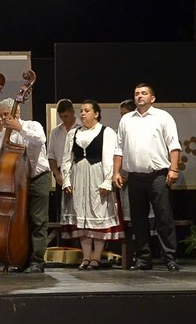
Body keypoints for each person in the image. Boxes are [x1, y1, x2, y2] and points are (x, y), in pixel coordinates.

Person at [0, 96, 52, 272]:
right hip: (16, 184)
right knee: (21, 222)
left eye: (6, 114)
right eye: (1, 116)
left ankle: (37, 261)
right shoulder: (3, 136)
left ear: (16, 112)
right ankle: (21, 258)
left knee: (38, 221)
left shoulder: (33, 125)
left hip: (37, 178)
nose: (3, 119)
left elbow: (40, 140)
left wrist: (20, 128)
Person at [112, 83, 182, 271]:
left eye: (144, 93)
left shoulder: (163, 117)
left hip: (157, 176)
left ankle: (169, 257)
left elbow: (174, 145)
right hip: (134, 177)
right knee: (138, 220)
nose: (139, 96)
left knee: (164, 217)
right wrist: (116, 172)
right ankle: (143, 258)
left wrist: (174, 169)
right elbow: (119, 148)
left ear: (152, 98)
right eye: (137, 93)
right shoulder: (126, 120)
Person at [67, 100, 123, 269]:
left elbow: (110, 158)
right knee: (82, 215)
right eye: (81, 111)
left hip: (98, 176)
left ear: (96, 114)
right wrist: (67, 180)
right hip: (79, 176)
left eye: (87, 110)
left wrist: (107, 181)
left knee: (98, 214)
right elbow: (67, 158)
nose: (83, 114)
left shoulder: (106, 132)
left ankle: (96, 257)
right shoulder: (74, 133)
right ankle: (86, 257)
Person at [46, 99, 76, 246]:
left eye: (66, 116)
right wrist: (57, 174)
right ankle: (65, 245)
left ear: (72, 112)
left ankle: (80, 244)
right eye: (61, 117)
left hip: (77, 173)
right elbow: (51, 155)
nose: (64, 119)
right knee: (62, 211)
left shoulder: (81, 128)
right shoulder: (56, 132)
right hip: (61, 175)